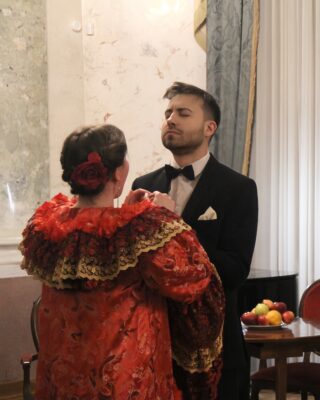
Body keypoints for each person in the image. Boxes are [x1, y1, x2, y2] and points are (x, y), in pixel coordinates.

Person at [19, 124, 225, 400]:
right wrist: (166, 218)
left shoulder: (48, 226)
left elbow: (101, 230)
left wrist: (132, 214)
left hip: (62, 374)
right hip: (122, 378)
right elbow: (194, 278)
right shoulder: (144, 231)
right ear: (118, 172)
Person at [133, 82, 259, 399]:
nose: (171, 119)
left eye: (183, 113)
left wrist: (175, 226)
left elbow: (235, 270)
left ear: (209, 128)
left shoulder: (239, 188)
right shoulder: (142, 185)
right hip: (154, 343)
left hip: (216, 346)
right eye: (168, 113)